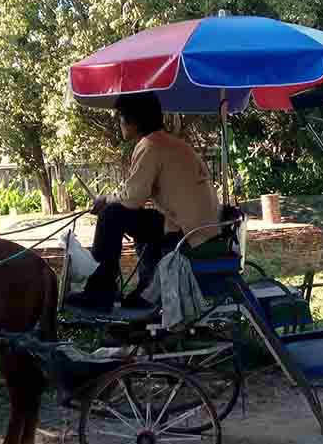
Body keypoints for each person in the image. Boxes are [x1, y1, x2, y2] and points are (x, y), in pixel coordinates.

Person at [66, 91, 222, 312]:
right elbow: (137, 195)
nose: (119, 122)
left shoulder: (150, 145)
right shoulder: (171, 143)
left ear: (134, 121)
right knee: (135, 217)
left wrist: (105, 200)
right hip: (200, 227)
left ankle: (99, 294)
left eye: (120, 117)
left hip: (187, 234)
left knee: (111, 215)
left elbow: (132, 198)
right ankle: (146, 288)